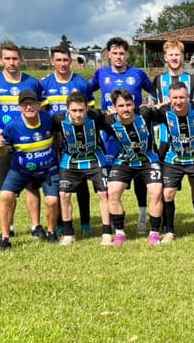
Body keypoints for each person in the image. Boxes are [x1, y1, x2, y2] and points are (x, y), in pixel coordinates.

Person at [0, 43, 44, 240]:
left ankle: (36, 226)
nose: (11, 62)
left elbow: (43, 109)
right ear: (1, 61)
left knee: (32, 186)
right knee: (8, 188)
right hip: (4, 145)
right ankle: (10, 227)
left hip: (30, 143)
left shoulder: (32, 82)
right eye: (7, 58)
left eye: (15, 58)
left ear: (21, 60)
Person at [89, 37, 156, 235]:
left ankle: (143, 218)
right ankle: (112, 223)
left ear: (127, 55)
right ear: (108, 54)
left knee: (141, 179)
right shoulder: (101, 74)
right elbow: (84, 92)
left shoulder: (137, 74)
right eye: (115, 53)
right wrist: (97, 111)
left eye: (122, 53)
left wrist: (149, 105)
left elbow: (156, 93)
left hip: (137, 133)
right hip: (111, 136)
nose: (118, 57)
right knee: (113, 179)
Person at [0, 89, 60, 250]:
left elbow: (61, 131)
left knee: (52, 201)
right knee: (5, 196)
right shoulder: (12, 126)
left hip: (48, 169)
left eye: (32, 104)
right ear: (20, 107)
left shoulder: (49, 118)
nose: (29, 107)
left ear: (38, 105)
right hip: (21, 170)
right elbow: (4, 152)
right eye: (25, 104)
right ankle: (5, 238)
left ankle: (51, 233)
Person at [41, 45, 94, 236]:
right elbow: (45, 114)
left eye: (66, 60)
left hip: (79, 140)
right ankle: (62, 222)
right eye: (59, 60)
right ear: (52, 62)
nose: (62, 64)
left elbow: (91, 113)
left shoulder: (81, 83)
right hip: (55, 140)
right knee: (60, 182)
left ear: (70, 61)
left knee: (81, 183)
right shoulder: (45, 84)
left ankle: (86, 222)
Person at [51, 91, 114, 245]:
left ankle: (106, 233)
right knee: (64, 195)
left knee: (104, 194)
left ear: (87, 109)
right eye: (74, 110)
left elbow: (114, 129)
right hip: (70, 160)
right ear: (67, 110)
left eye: (81, 110)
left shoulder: (96, 116)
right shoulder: (58, 120)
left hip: (94, 158)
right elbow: (49, 136)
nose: (78, 114)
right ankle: (68, 234)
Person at [103, 88, 164, 246]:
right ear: (114, 108)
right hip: (124, 161)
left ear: (134, 105)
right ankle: (120, 233)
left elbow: (164, 112)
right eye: (121, 106)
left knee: (156, 192)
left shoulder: (145, 115)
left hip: (148, 159)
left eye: (128, 105)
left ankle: (154, 232)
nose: (125, 109)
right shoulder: (109, 121)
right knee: (113, 192)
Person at [157, 84, 194, 243]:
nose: (179, 101)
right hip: (174, 159)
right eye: (175, 98)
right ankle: (169, 231)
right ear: (170, 99)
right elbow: (143, 114)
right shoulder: (164, 111)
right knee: (167, 193)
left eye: (182, 97)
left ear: (188, 97)